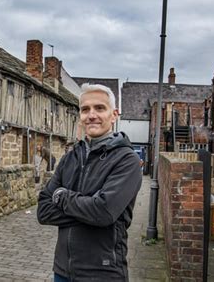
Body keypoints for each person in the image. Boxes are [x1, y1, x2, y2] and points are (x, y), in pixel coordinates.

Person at [37, 83, 142, 281]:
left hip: (102, 273)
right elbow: (43, 210)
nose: (91, 115)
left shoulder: (127, 160)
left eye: (100, 108)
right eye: (85, 109)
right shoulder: (70, 157)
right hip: (62, 272)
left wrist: (62, 196)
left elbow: (103, 213)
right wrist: (90, 208)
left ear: (114, 115)